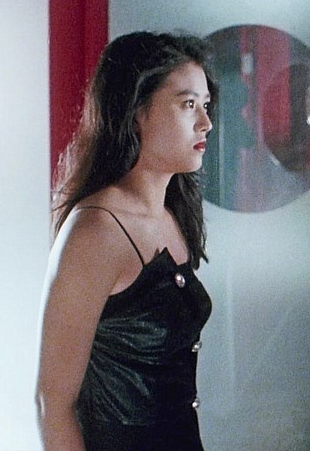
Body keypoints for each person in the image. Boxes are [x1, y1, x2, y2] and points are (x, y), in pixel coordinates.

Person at [36, 31, 216, 451]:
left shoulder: (172, 215)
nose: (206, 123)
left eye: (206, 105)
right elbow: (53, 405)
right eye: (188, 104)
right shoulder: (95, 230)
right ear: (137, 112)